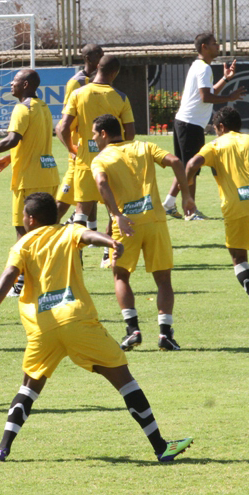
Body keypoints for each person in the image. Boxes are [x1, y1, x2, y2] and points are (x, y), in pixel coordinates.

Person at [0, 192, 192, 463]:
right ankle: (160, 447)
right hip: (77, 321)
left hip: (42, 328)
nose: (22, 219)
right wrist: (110, 241)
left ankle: (2, 449)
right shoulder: (69, 231)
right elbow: (88, 237)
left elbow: (9, 274)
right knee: (124, 381)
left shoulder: (22, 244)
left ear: (31, 219)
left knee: (29, 387)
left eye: (24, 215)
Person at [91, 114, 192, 351]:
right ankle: (165, 334)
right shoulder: (145, 146)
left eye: (94, 134)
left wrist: (116, 215)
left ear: (104, 134)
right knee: (163, 279)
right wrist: (186, 195)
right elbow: (176, 161)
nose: (94, 139)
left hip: (126, 225)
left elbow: (102, 183)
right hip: (155, 221)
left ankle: (132, 330)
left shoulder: (101, 158)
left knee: (121, 276)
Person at [0, 69, 59, 296]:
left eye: (15, 80)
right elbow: (33, 139)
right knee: (46, 231)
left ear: (25, 84)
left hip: (30, 177)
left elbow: (12, 138)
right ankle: (48, 279)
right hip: (48, 173)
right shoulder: (43, 107)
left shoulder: (22, 108)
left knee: (23, 230)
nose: (11, 83)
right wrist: (10, 158)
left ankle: (20, 283)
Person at [185, 107, 249, 322]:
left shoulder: (215, 145)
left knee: (239, 259)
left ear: (221, 127)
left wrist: (188, 196)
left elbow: (190, 164)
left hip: (236, 208)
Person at [162, 32, 246, 220]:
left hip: (186, 122)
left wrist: (225, 79)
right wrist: (229, 98)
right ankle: (190, 212)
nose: (218, 46)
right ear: (204, 47)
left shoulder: (200, 66)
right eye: (214, 44)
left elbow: (208, 93)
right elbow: (206, 97)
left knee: (186, 167)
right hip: (190, 123)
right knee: (192, 168)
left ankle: (168, 203)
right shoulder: (204, 69)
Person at [55, 56, 135, 235]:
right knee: (113, 208)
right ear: (115, 73)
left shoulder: (78, 93)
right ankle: (108, 252)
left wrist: (71, 148)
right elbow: (130, 133)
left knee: (81, 209)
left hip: (84, 161)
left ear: (97, 66)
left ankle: (77, 253)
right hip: (112, 161)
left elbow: (63, 126)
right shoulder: (121, 97)